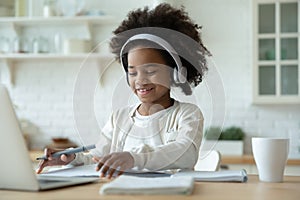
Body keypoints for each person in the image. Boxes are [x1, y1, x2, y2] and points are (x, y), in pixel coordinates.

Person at [37, 3, 211, 179]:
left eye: (150, 71)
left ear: (176, 72)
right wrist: (71, 158)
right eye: (133, 72)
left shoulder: (188, 114)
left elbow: (186, 153)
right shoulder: (119, 118)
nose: (140, 80)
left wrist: (134, 158)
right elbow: (99, 157)